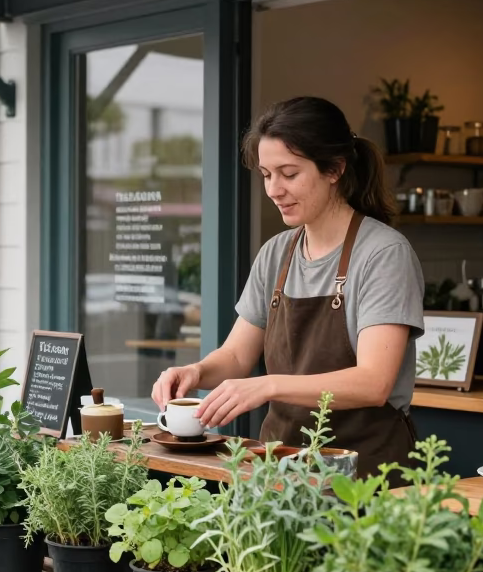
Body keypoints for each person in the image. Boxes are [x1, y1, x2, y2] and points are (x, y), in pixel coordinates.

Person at [152, 96, 425, 477]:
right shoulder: (276, 253)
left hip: (365, 475)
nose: (274, 189)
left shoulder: (384, 254)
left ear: (334, 169)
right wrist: (195, 372)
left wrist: (268, 387)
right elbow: (235, 357)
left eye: (289, 173)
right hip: (280, 470)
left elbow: (373, 382)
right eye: (266, 174)